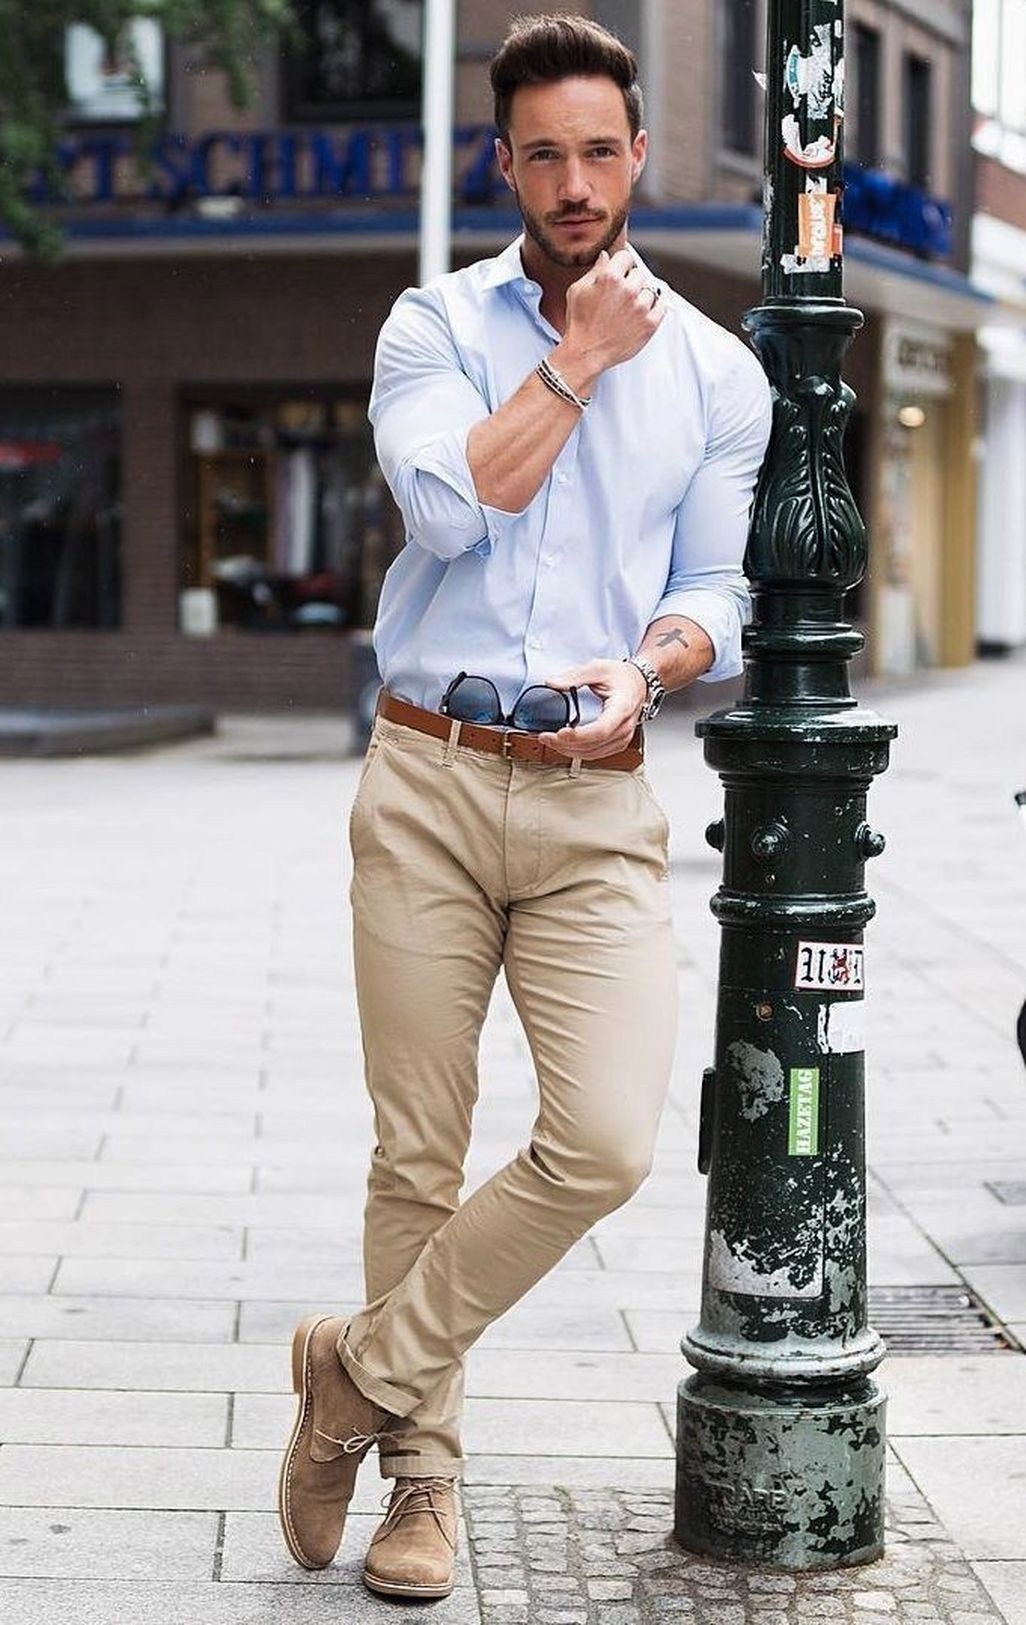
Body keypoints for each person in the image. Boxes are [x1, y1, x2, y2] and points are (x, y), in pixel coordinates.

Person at [277, 12, 772, 1604]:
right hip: (424, 775)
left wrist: (658, 660)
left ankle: (352, 1371)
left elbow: (715, 591)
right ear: (503, 163)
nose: (573, 183)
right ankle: (423, 1483)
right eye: (542, 153)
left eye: (599, 151)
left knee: (609, 1139)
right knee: (418, 1154)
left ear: (636, 157)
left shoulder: (719, 370)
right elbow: (443, 504)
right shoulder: (433, 324)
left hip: (595, 798)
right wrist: (574, 362)